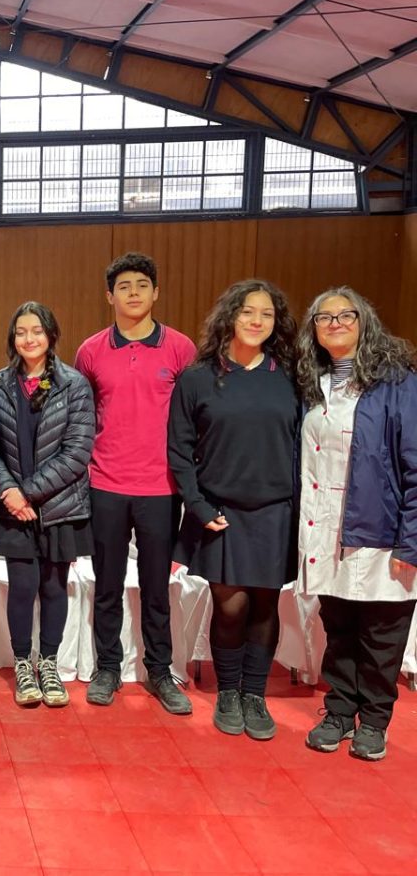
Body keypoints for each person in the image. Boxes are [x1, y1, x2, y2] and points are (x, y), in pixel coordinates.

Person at [168, 281, 299, 741]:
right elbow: (179, 451)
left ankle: (254, 695)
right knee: (231, 606)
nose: (257, 321)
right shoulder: (198, 377)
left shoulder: (291, 375)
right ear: (230, 316)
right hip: (219, 510)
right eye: (248, 311)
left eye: (266, 313)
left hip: (277, 510)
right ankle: (228, 692)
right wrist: (199, 506)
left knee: (266, 604)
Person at [296, 287, 417, 762]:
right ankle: (340, 711)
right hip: (325, 530)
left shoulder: (397, 382)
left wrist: (412, 541)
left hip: (380, 533)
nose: (335, 323)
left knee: (381, 635)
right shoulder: (313, 381)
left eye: (346, 315)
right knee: (339, 627)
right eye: (324, 318)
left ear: (364, 320)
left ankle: (375, 720)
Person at [75, 252, 196, 715]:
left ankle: (160, 671)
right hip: (105, 484)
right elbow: (81, 417)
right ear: (109, 296)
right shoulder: (90, 351)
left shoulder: (180, 349)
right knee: (106, 583)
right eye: (123, 286)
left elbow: (191, 419)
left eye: (142, 284)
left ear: (156, 292)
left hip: (161, 488)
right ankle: (107, 668)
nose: (133, 293)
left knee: (155, 588)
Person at [0, 302, 94, 708]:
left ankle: (48, 664)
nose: (28, 339)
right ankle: (21, 664)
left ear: (51, 335)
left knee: (53, 587)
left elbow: (77, 452)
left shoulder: (75, 385)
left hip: (60, 506)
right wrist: (9, 493)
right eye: (20, 332)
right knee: (22, 587)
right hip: (12, 508)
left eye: (36, 331)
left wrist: (27, 493)